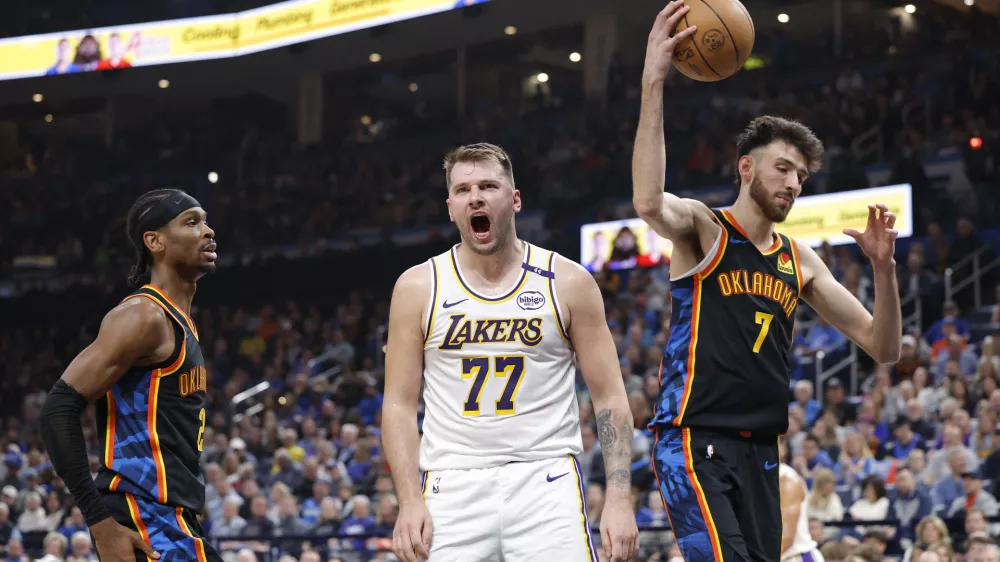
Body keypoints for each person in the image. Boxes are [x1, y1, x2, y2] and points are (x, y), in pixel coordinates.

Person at [633, 3, 902, 560]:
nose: (794, 183)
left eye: (801, 175)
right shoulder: (705, 230)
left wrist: (883, 268)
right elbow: (646, 201)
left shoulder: (798, 260)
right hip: (692, 439)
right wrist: (654, 80)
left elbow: (884, 346)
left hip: (761, 450)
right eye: (783, 167)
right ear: (747, 167)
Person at [383, 143, 639, 562]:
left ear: (515, 200)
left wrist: (619, 498)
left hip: (546, 477)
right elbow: (397, 404)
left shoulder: (568, 280)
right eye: (463, 190)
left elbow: (610, 395)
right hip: (452, 483)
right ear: (450, 208)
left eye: (488, 185)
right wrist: (409, 501)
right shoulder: (417, 287)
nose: (476, 197)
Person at [39, 189, 220, 562]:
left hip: (173, 518)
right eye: (191, 223)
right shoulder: (143, 316)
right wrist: (99, 521)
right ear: (154, 241)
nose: (208, 231)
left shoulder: (179, 322)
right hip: (145, 518)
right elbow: (58, 408)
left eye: (205, 221)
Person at [778, 438, 823, 562]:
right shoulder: (752, 479)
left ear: (782, 449)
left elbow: (786, 538)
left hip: (795, 556)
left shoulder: (786, 479)